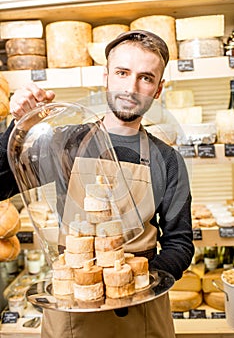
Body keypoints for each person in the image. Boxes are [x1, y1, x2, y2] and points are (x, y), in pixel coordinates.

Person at [0, 30, 194, 338]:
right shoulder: (66, 142)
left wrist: (136, 282)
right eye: (122, 73)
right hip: (73, 308)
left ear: (158, 89)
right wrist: (19, 128)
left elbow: (180, 243)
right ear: (106, 77)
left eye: (145, 78)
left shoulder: (167, 159)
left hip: (141, 312)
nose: (131, 88)